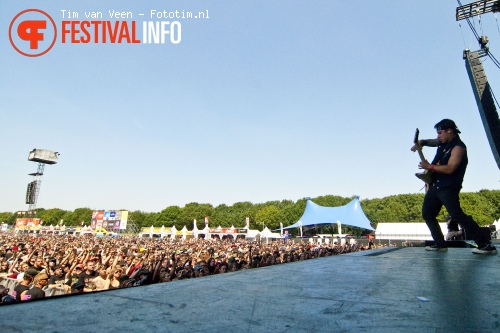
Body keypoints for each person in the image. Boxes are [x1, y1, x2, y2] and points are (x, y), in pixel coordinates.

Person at [412, 119, 497, 254]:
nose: (438, 136)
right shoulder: (443, 143)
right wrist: (422, 142)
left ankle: (485, 245)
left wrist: (430, 167)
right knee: (428, 214)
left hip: (448, 187)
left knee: (457, 215)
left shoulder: (458, 147)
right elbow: (435, 142)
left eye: (440, 133)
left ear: (450, 131)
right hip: (435, 186)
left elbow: (450, 168)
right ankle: (440, 244)